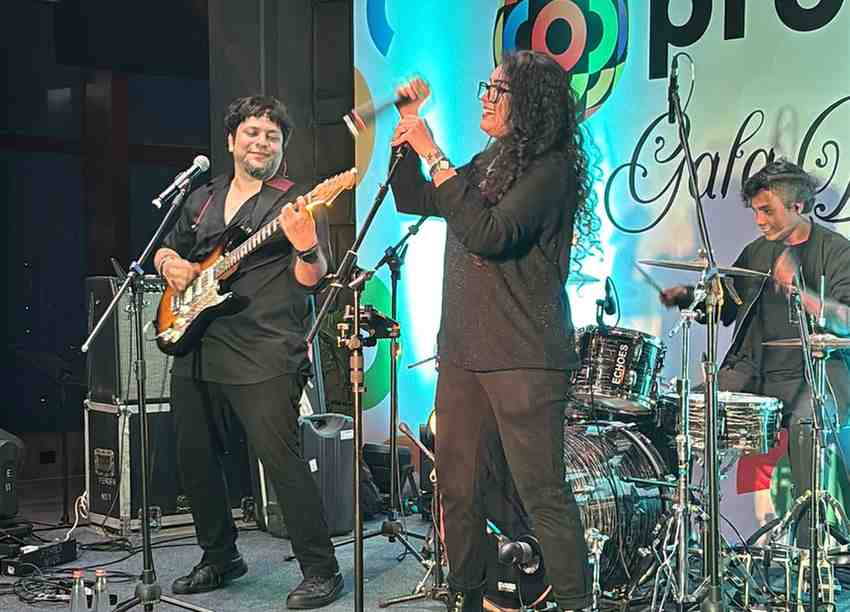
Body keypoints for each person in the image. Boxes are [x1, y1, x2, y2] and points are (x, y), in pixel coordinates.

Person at [388, 50, 596, 612]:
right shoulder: (489, 162)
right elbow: (414, 198)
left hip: (524, 356)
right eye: (486, 85)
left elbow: (488, 233)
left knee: (542, 493)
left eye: (497, 89)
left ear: (528, 103)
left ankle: (575, 603)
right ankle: (466, 595)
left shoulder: (549, 171)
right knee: (456, 487)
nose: (485, 96)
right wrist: (406, 134)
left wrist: (435, 154)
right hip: (463, 352)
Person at [153, 95, 343, 609]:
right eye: (252, 133)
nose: (262, 142)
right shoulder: (202, 198)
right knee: (195, 457)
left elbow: (312, 277)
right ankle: (219, 556)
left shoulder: (297, 201)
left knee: (281, 461)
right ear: (232, 140)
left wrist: (305, 245)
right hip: (197, 343)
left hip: (265, 348)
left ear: (282, 147)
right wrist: (169, 264)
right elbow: (167, 248)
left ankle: (321, 570)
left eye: (272, 136)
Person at [660, 158, 850, 548]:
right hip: (755, 372)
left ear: (797, 206)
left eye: (767, 211)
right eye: (755, 212)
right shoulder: (757, 251)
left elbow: (846, 320)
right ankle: (677, 538)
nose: (759, 220)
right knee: (683, 413)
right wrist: (689, 296)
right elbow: (726, 306)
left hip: (815, 376)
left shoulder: (836, 251)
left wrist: (799, 291)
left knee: (807, 429)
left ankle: (809, 554)